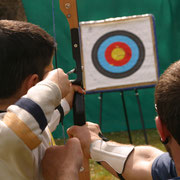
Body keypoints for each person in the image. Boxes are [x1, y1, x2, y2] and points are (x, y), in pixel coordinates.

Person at [67, 60, 180, 180]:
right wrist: (96, 145)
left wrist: (61, 172)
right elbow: (146, 160)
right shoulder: (172, 167)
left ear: (161, 129)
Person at [0, 20, 84, 179]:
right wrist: (53, 87)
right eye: (48, 74)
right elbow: (17, 130)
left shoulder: (27, 127)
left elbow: (38, 123)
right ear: (33, 83)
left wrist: (65, 102)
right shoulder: (10, 135)